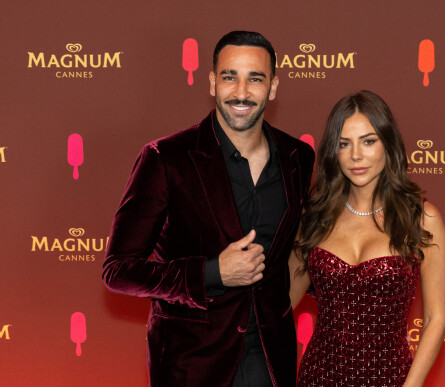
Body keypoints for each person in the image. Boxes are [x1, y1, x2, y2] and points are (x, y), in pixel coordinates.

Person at [103, 31, 314, 387]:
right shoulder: (165, 159)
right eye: (230, 77)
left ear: (273, 87)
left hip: (271, 359)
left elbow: (297, 250)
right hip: (191, 365)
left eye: (255, 79)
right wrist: (212, 274)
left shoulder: (299, 157)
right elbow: (118, 270)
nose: (242, 92)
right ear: (213, 82)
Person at [289, 90, 445, 386]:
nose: (356, 156)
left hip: (390, 379)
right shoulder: (314, 216)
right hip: (318, 376)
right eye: (344, 144)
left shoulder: (422, 219)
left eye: (369, 141)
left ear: (388, 144)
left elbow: (435, 319)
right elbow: (281, 304)